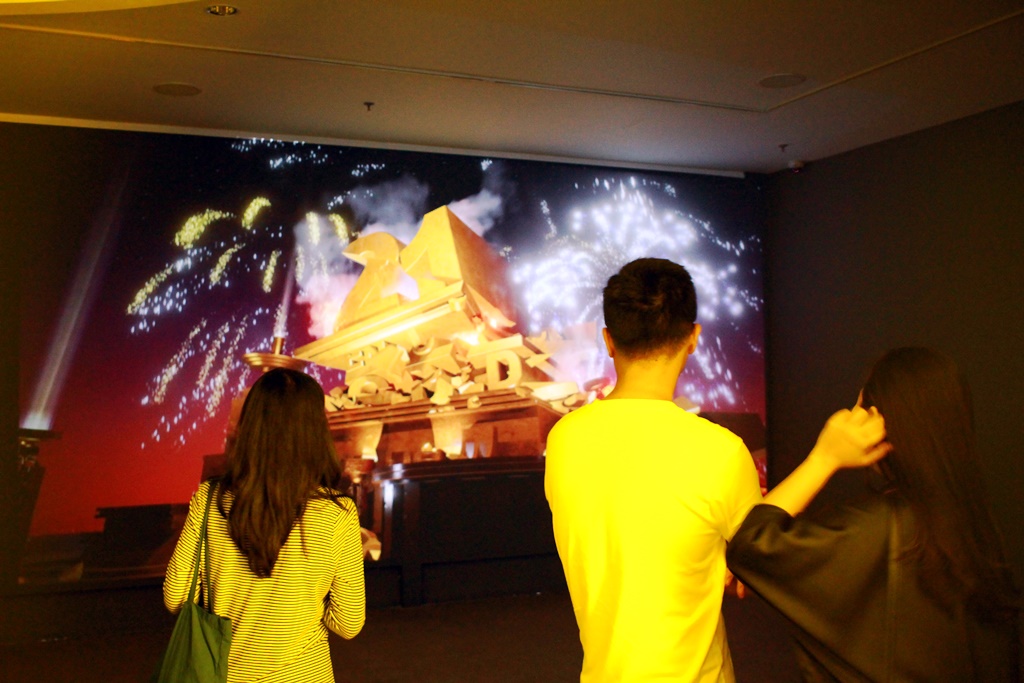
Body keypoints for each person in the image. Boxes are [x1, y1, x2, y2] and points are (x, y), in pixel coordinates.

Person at [727, 347, 1021, 681]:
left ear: (881, 424)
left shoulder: (877, 530)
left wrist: (823, 458)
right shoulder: (978, 528)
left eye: (859, 408)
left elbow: (751, 545)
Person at [545, 257, 763, 682]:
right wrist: (825, 459)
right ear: (694, 338)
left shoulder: (564, 440)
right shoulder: (720, 451)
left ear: (608, 340)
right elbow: (755, 566)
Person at [163, 368, 366, 683]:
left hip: (221, 674)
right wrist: (302, 607)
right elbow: (348, 623)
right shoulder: (336, 513)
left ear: (250, 426)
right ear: (316, 431)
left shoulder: (210, 499)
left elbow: (175, 597)